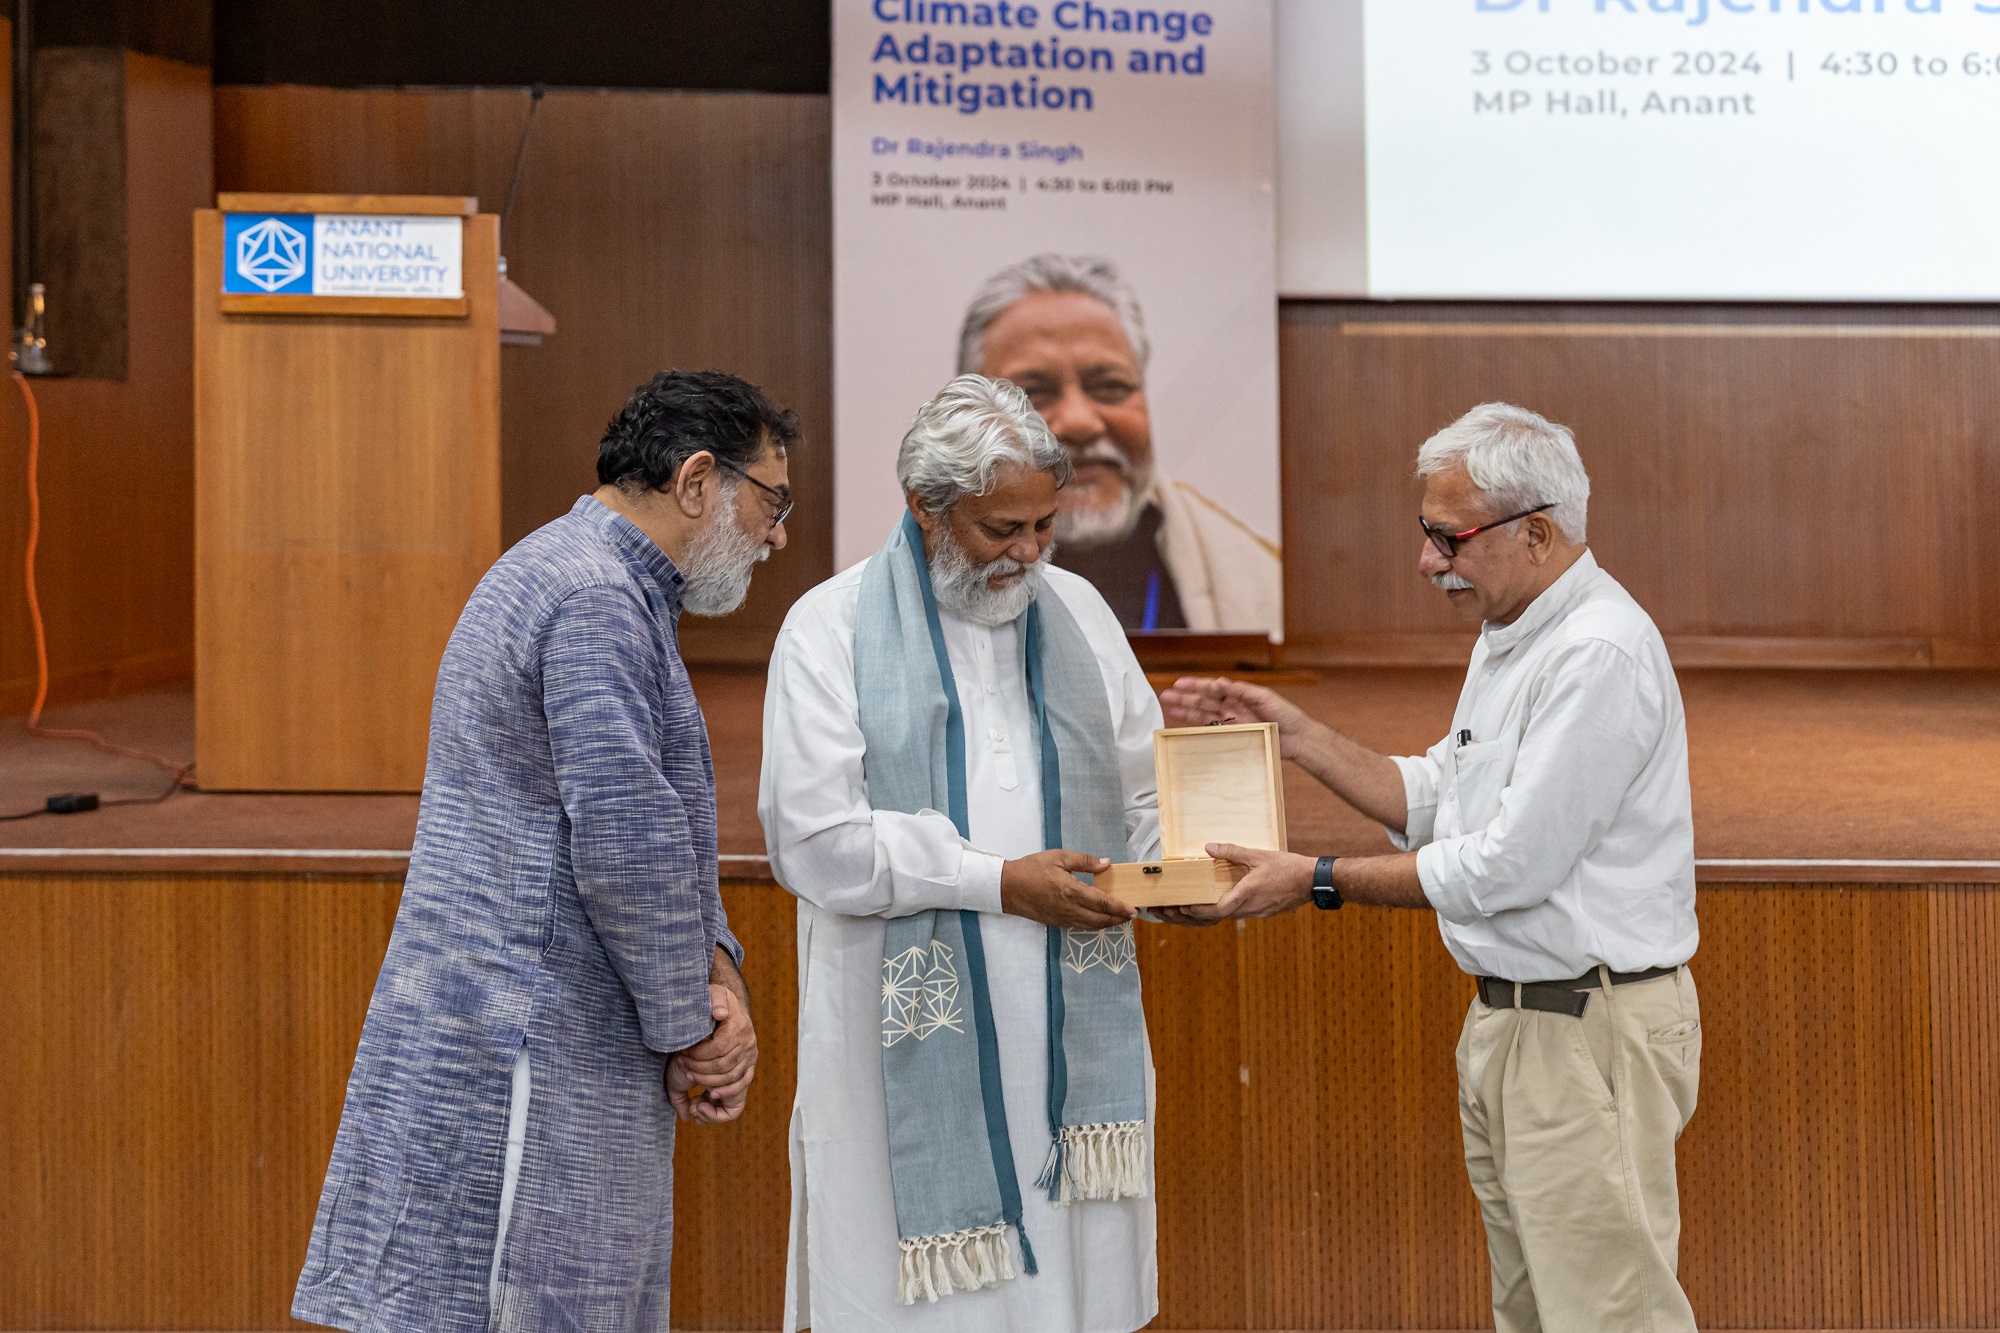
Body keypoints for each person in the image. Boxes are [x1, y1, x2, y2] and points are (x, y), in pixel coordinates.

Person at [1159, 403, 1702, 1333]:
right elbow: (1437, 795)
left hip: (1588, 1029)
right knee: (1531, 1312)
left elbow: (1506, 867)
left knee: (1610, 1319)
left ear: (1536, 533)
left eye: (1449, 537)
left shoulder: (1596, 652)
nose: (1427, 561)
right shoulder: (1515, 632)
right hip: (1519, 1023)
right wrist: (1300, 736)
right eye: (1426, 533)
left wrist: (1314, 879)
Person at [293, 369, 797, 1332]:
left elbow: (654, 827)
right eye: (770, 500)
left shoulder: (583, 573)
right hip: (526, 1032)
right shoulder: (596, 596)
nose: (776, 534)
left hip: (528, 1013)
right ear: (698, 480)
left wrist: (715, 968)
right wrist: (695, 1025)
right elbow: (625, 843)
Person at [760, 374, 1163, 1331]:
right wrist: (998, 882)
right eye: (999, 530)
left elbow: (1143, 794)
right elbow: (815, 845)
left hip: (1069, 1043)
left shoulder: (1083, 616)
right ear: (925, 509)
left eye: (1042, 526)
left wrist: (1179, 871)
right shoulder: (831, 627)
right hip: (893, 1036)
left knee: (1073, 1290)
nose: (1026, 553)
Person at [958, 253, 1282, 636]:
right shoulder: (899, 597)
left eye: (1111, 387)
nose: (1079, 422)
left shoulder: (1264, 586)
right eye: (1033, 393)